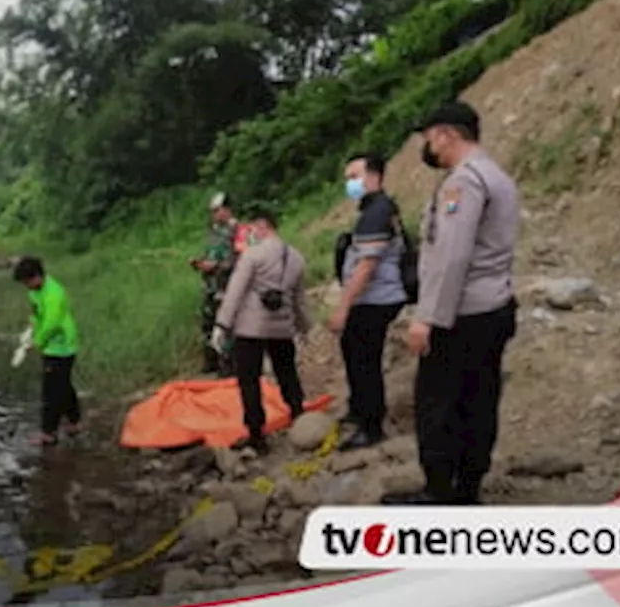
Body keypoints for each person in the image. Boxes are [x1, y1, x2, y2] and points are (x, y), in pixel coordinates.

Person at [384, 100, 520, 506]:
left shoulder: (465, 182)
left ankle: (441, 493)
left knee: (439, 403)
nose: (427, 146)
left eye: (429, 137)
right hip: (492, 307)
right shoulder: (496, 175)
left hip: (462, 315)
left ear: (447, 134)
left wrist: (427, 317)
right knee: (479, 399)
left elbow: (452, 255)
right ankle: (467, 488)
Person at [211, 209, 311, 455]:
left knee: (249, 380)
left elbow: (235, 292)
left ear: (263, 227)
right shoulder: (296, 258)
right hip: (282, 328)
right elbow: (300, 300)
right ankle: (298, 415)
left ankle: (257, 434)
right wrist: (304, 328)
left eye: (253, 229)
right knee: (287, 372)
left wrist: (222, 324)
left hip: (250, 328)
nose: (250, 234)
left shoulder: (252, 255)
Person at [330, 153, 408, 452]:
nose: (350, 184)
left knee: (365, 360)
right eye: (347, 178)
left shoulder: (377, 211)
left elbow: (366, 267)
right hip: (371, 298)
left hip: (376, 298)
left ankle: (371, 426)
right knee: (353, 350)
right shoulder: (375, 208)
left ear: (374, 176)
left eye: (354, 176)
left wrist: (343, 307)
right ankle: (359, 408)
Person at [13, 256, 81, 446]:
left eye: (27, 281)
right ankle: (74, 421)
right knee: (64, 385)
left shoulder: (54, 293)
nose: (26, 286)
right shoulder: (34, 291)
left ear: (37, 276)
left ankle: (48, 433)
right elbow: (36, 314)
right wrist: (30, 329)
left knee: (51, 392)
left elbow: (51, 323)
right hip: (51, 346)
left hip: (61, 346)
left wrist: (37, 342)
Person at [193, 192, 240, 378]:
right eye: (212, 211)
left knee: (226, 326)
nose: (214, 215)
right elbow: (211, 254)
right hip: (211, 285)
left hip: (228, 286)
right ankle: (211, 361)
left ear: (227, 210)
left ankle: (228, 365)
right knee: (208, 324)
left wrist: (218, 266)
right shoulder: (213, 232)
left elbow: (241, 258)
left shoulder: (238, 231)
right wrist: (201, 263)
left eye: (217, 210)